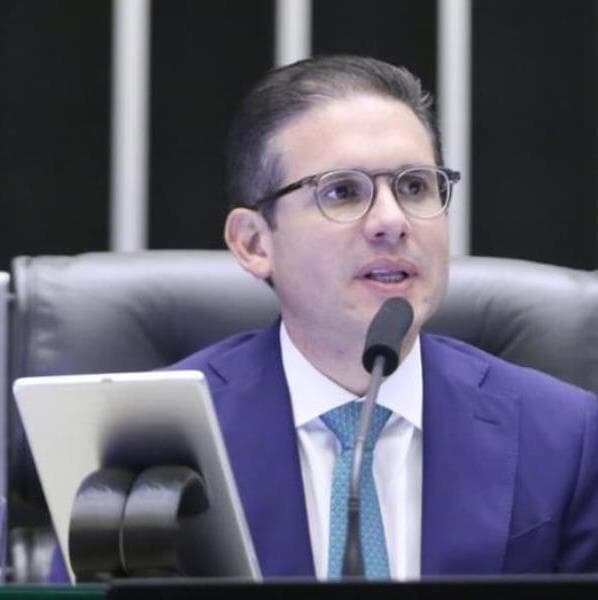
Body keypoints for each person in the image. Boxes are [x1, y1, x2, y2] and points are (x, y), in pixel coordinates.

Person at [168, 55, 598, 579]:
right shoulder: (158, 438)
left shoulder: (567, 437)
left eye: (415, 186)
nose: (392, 221)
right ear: (254, 243)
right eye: (343, 191)